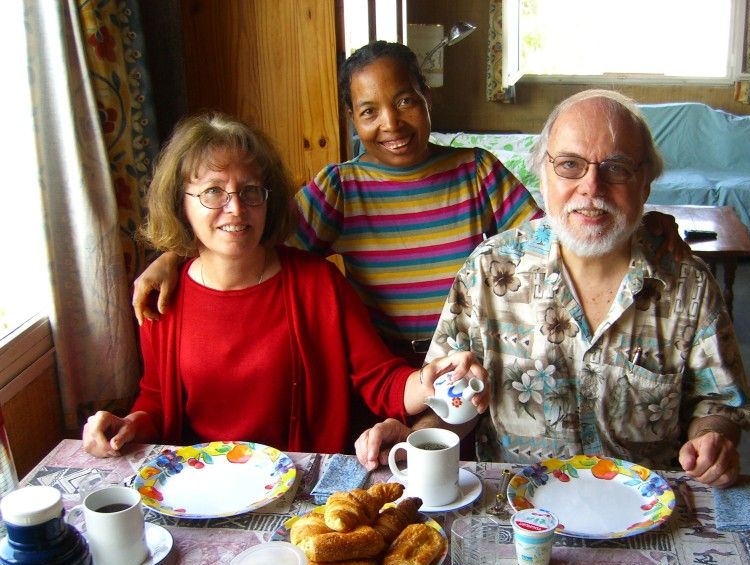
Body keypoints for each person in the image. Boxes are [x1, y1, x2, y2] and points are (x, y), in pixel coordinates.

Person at [356, 89, 750, 488]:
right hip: (518, 504)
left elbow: (718, 403)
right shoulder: (489, 272)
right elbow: (453, 399)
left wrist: (713, 437)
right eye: (569, 165)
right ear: (543, 174)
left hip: (646, 504)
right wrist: (416, 440)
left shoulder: (688, 285)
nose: (592, 187)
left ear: (645, 184)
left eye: (617, 168)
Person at [82, 112, 486, 459]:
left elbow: (380, 379)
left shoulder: (318, 285)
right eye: (213, 192)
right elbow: (156, 399)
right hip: (201, 490)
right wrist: (129, 424)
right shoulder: (162, 299)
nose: (235, 208)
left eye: (250, 191)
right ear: (180, 203)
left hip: (300, 494)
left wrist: (433, 378)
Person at [131, 41, 542, 364]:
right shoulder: (340, 188)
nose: (391, 123)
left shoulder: (477, 171)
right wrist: (173, 258)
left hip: (465, 359)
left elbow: (543, 244)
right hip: (380, 363)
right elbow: (253, 237)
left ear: (426, 97)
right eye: (369, 111)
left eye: (405, 101)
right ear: (351, 117)